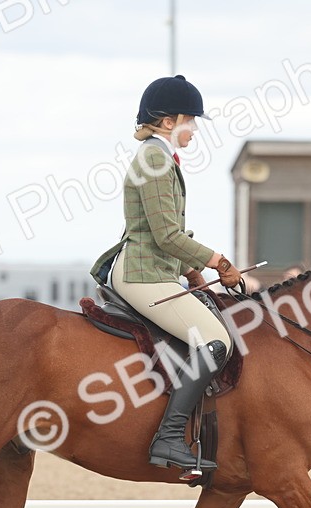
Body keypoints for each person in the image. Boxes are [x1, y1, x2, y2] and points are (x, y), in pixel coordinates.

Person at [90, 75, 240, 472]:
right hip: (144, 275)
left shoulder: (160, 159)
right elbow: (167, 234)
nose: (194, 129)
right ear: (169, 122)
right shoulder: (155, 160)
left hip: (157, 270)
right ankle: (170, 438)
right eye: (191, 120)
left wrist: (191, 272)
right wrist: (218, 263)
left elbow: (165, 236)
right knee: (215, 340)